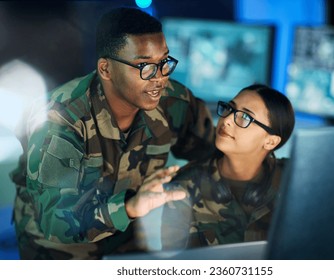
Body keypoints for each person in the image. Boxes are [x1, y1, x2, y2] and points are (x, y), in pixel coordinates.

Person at [10, 7, 215, 259]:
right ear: (106, 70)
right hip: (58, 246)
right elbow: (57, 223)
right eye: (144, 66)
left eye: (164, 62)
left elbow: (214, 154)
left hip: (126, 233)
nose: (159, 78)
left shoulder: (174, 101)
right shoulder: (60, 119)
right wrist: (130, 207)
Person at [160, 84, 295, 249]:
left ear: (270, 141)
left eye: (245, 117)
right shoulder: (184, 185)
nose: (227, 120)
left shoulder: (294, 179)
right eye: (229, 109)